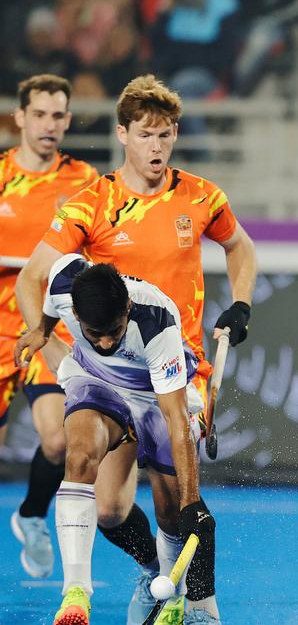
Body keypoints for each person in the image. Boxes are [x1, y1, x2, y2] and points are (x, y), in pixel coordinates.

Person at [17, 74, 257, 625]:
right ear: (122, 134)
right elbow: (33, 279)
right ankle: (155, 575)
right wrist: (47, 341)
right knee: (108, 510)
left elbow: (239, 247)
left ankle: (196, 603)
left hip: (174, 365)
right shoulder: (91, 203)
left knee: (177, 506)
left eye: (166, 135)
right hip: (109, 372)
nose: (157, 146)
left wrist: (241, 304)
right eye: (146, 135)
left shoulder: (202, 196)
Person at [15, 257, 217, 625]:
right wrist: (41, 330)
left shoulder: (156, 321)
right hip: (96, 381)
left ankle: (174, 598)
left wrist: (191, 502)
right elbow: (47, 310)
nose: (106, 341)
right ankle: (76, 594)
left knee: (170, 512)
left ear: (127, 308)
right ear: (76, 313)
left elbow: (174, 418)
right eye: (95, 333)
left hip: (156, 396)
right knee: (80, 460)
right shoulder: (63, 281)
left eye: (115, 330)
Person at [2, 74, 99, 580]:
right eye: (38, 114)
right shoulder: (0, 175)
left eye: (58, 115)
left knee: (60, 441)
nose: (48, 124)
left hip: (48, 328)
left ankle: (31, 516)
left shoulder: (84, 181)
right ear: (20, 117)